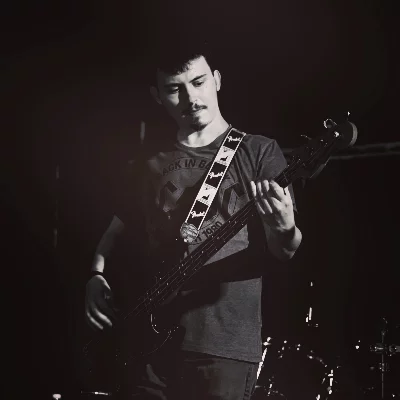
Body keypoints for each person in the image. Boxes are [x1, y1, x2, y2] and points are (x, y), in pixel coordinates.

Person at [84, 41, 302, 399]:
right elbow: (113, 234)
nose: (190, 98)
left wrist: (285, 228)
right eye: (175, 89)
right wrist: (96, 275)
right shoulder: (148, 164)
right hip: (148, 346)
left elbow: (286, 249)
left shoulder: (259, 151)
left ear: (217, 80)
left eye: (198, 82)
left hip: (223, 346)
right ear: (157, 96)